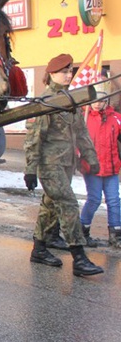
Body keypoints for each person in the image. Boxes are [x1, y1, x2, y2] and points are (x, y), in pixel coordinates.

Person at [23, 53, 103, 276]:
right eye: (64, 72)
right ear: (51, 74)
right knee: (68, 204)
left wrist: (91, 158)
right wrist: (30, 169)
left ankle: (39, 249)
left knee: (49, 207)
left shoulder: (70, 99)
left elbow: (81, 132)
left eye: (70, 71)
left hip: (66, 163)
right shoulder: (46, 101)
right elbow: (34, 137)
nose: (69, 75)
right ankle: (78, 257)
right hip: (50, 165)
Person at [80, 78, 121, 248]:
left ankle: (116, 235)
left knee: (114, 200)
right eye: (94, 100)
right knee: (94, 199)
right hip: (92, 168)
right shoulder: (84, 119)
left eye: (101, 101)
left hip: (111, 168)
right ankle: (82, 231)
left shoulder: (116, 118)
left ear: (107, 101)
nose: (97, 104)